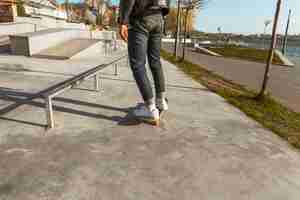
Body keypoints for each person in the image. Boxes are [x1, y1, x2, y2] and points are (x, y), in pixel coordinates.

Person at [118, 0, 170, 126]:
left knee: (138, 64)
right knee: (155, 61)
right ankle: (160, 100)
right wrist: (163, 15)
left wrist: (123, 21)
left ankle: (150, 108)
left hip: (141, 18)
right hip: (158, 17)